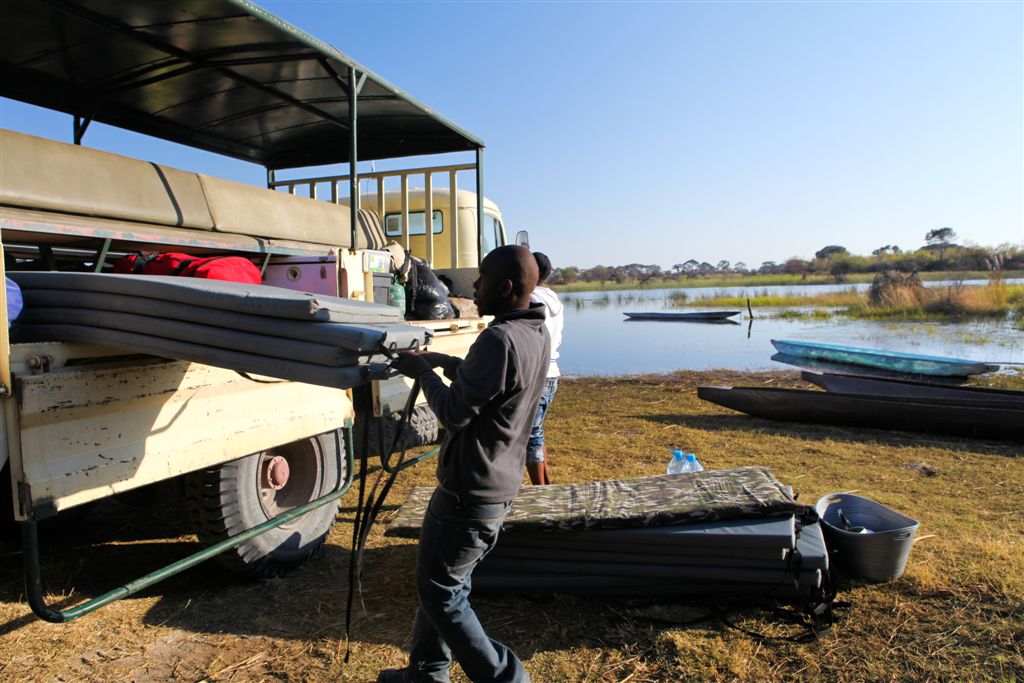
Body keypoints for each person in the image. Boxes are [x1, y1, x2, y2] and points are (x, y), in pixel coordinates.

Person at [378, 245, 549, 683]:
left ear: (505, 287)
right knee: (444, 585)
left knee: (442, 595)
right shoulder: (534, 333)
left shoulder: (498, 339)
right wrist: (443, 362)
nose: (473, 288)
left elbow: (455, 412)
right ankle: (426, 672)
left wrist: (424, 376)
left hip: (468, 493)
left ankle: (504, 678)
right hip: (498, 487)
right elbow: (496, 382)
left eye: (482, 281)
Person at [525, 252, 563, 485]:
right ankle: (545, 483)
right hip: (552, 372)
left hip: (538, 372)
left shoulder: (531, 300)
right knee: (536, 432)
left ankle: (541, 490)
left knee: (531, 434)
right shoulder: (553, 298)